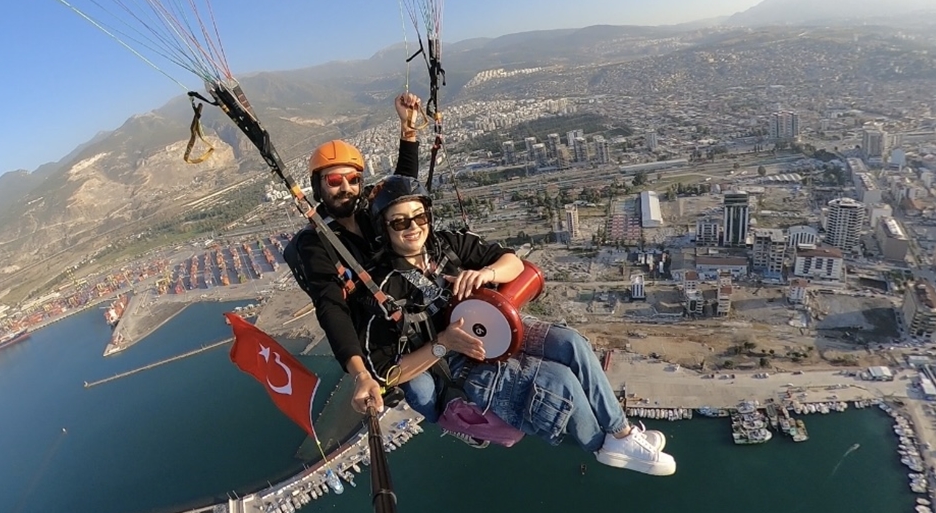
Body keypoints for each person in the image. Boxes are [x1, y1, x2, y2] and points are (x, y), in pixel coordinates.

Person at [347, 175, 677, 476]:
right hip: (458, 366)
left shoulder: (446, 245)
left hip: (494, 330)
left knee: (571, 343)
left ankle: (621, 433)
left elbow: (513, 262)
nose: (413, 227)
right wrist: (443, 343)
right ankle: (602, 447)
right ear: (384, 228)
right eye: (400, 222)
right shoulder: (382, 289)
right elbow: (388, 374)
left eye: (419, 217)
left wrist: (485, 273)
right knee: (558, 381)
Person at [289, 93, 423, 417]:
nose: (345, 187)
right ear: (318, 186)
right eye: (334, 180)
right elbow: (330, 306)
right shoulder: (316, 242)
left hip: (412, 308)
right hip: (377, 337)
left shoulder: (371, 212)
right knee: (424, 392)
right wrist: (360, 373)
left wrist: (408, 130)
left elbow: (403, 185)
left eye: (353, 179)